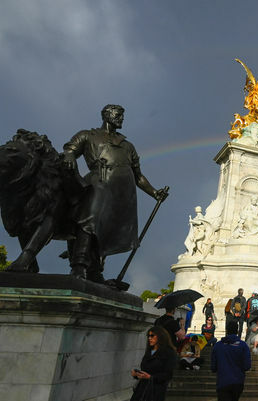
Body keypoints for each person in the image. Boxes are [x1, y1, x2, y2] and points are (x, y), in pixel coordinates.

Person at [63, 104, 167, 282]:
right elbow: (70, 150)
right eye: (118, 115)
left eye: (122, 115)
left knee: (107, 232)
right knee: (89, 221)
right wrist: (70, 156)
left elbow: (138, 176)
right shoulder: (88, 135)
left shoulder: (128, 146)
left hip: (122, 193)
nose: (121, 118)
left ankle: (95, 271)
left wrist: (154, 193)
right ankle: (79, 265)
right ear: (106, 115)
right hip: (98, 183)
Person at [130, 326, 177, 401]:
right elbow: (145, 369)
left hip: (156, 390)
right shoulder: (149, 351)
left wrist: (151, 377)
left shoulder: (169, 352)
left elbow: (168, 374)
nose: (149, 338)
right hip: (142, 389)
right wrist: (137, 374)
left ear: (160, 336)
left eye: (152, 336)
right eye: (148, 336)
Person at [211, 320, 251, 401]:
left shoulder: (218, 346)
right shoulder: (243, 345)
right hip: (238, 382)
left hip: (223, 382)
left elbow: (213, 367)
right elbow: (247, 366)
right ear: (237, 331)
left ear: (226, 330)